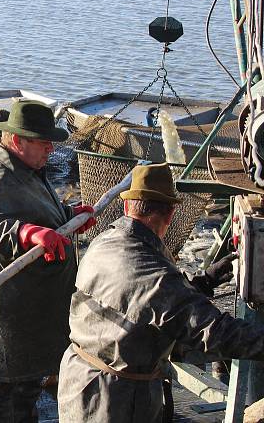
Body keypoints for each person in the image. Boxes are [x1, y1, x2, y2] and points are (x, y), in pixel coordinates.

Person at [57, 163, 264, 423]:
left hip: (78, 379)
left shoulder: (105, 241)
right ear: (169, 215)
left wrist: (205, 281)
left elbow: (141, 302)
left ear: (126, 206)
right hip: (115, 400)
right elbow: (215, 332)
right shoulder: (155, 274)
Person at [0, 99, 96, 423]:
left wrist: (69, 216)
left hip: (32, 313)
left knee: (26, 393)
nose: (51, 148)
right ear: (19, 140)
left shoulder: (27, 166)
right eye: (44, 142)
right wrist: (28, 234)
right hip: (7, 316)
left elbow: (34, 209)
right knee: (2, 395)